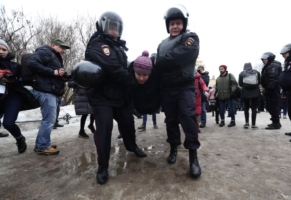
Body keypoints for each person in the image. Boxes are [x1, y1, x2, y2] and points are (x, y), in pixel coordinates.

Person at [84, 11, 147, 184]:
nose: (114, 31)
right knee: (104, 130)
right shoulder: (99, 44)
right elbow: (112, 68)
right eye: (111, 28)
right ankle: (102, 167)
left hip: (120, 95)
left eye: (117, 28)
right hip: (102, 96)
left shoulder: (118, 46)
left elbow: (123, 67)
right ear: (103, 26)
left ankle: (131, 146)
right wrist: (133, 80)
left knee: (128, 123)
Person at [155, 4, 201, 178]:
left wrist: (159, 61)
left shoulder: (190, 38)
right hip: (167, 88)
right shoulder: (162, 44)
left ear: (184, 24)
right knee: (171, 120)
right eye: (172, 23)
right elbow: (157, 64)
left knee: (188, 118)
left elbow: (182, 55)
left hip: (184, 86)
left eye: (178, 23)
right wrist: (153, 58)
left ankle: (193, 156)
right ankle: (174, 147)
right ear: (168, 25)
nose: (175, 26)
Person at [27, 38, 71, 155]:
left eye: (65, 48)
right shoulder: (46, 51)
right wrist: (54, 72)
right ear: (53, 45)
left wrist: (62, 75)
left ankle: (41, 143)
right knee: (49, 120)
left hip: (50, 91)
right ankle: (43, 146)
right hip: (45, 91)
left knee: (48, 120)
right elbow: (31, 63)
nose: (64, 50)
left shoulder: (53, 56)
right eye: (62, 47)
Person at [0, 39, 39, 152]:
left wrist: (12, 79)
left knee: (8, 123)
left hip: (13, 96)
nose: (1, 51)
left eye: (4, 49)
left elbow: (24, 81)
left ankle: (20, 139)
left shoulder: (15, 66)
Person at [68, 67, 95, 138]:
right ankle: (81, 131)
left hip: (89, 94)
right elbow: (70, 83)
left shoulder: (88, 72)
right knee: (85, 113)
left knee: (93, 111)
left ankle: (91, 125)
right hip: (81, 96)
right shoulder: (75, 74)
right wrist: (79, 81)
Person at [260, 52, 282, 129]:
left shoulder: (273, 65)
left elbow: (273, 78)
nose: (264, 61)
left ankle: (276, 123)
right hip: (269, 88)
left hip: (273, 89)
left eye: (265, 59)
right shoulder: (269, 65)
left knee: (273, 106)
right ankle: (275, 121)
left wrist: (269, 89)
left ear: (269, 58)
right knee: (269, 106)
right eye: (263, 59)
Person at [238, 63, 261, 129]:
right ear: (251, 66)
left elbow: (240, 84)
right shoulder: (257, 72)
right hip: (255, 92)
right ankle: (253, 124)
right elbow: (259, 82)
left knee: (246, 108)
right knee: (254, 108)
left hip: (246, 92)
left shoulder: (241, 73)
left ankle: (247, 123)